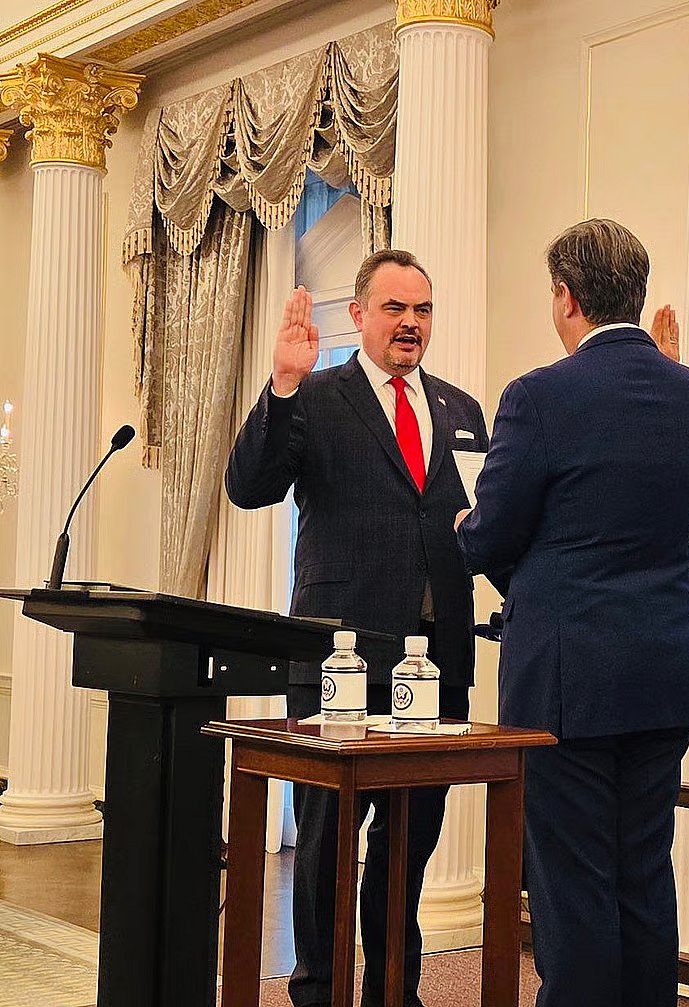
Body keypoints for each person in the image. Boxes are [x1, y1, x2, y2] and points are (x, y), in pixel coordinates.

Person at [455, 219, 689, 1007]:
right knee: (643, 874)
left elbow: (494, 530)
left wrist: (468, 531)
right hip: (665, 671)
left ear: (566, 297)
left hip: (569, 681)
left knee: (573, 886)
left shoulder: (539, 395)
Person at [225, 249, 488, 1007]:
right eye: (397, 308)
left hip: (435, 664)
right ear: (360, 315)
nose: (412, 324)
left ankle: (393, 991)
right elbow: (249, 487)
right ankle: (318, 991)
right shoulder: (315, 395)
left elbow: (474, 520)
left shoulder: (462, 409)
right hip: (341, 656)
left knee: (410, 843)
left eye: (424, 310)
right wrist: (280, 385)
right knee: (326, 844)